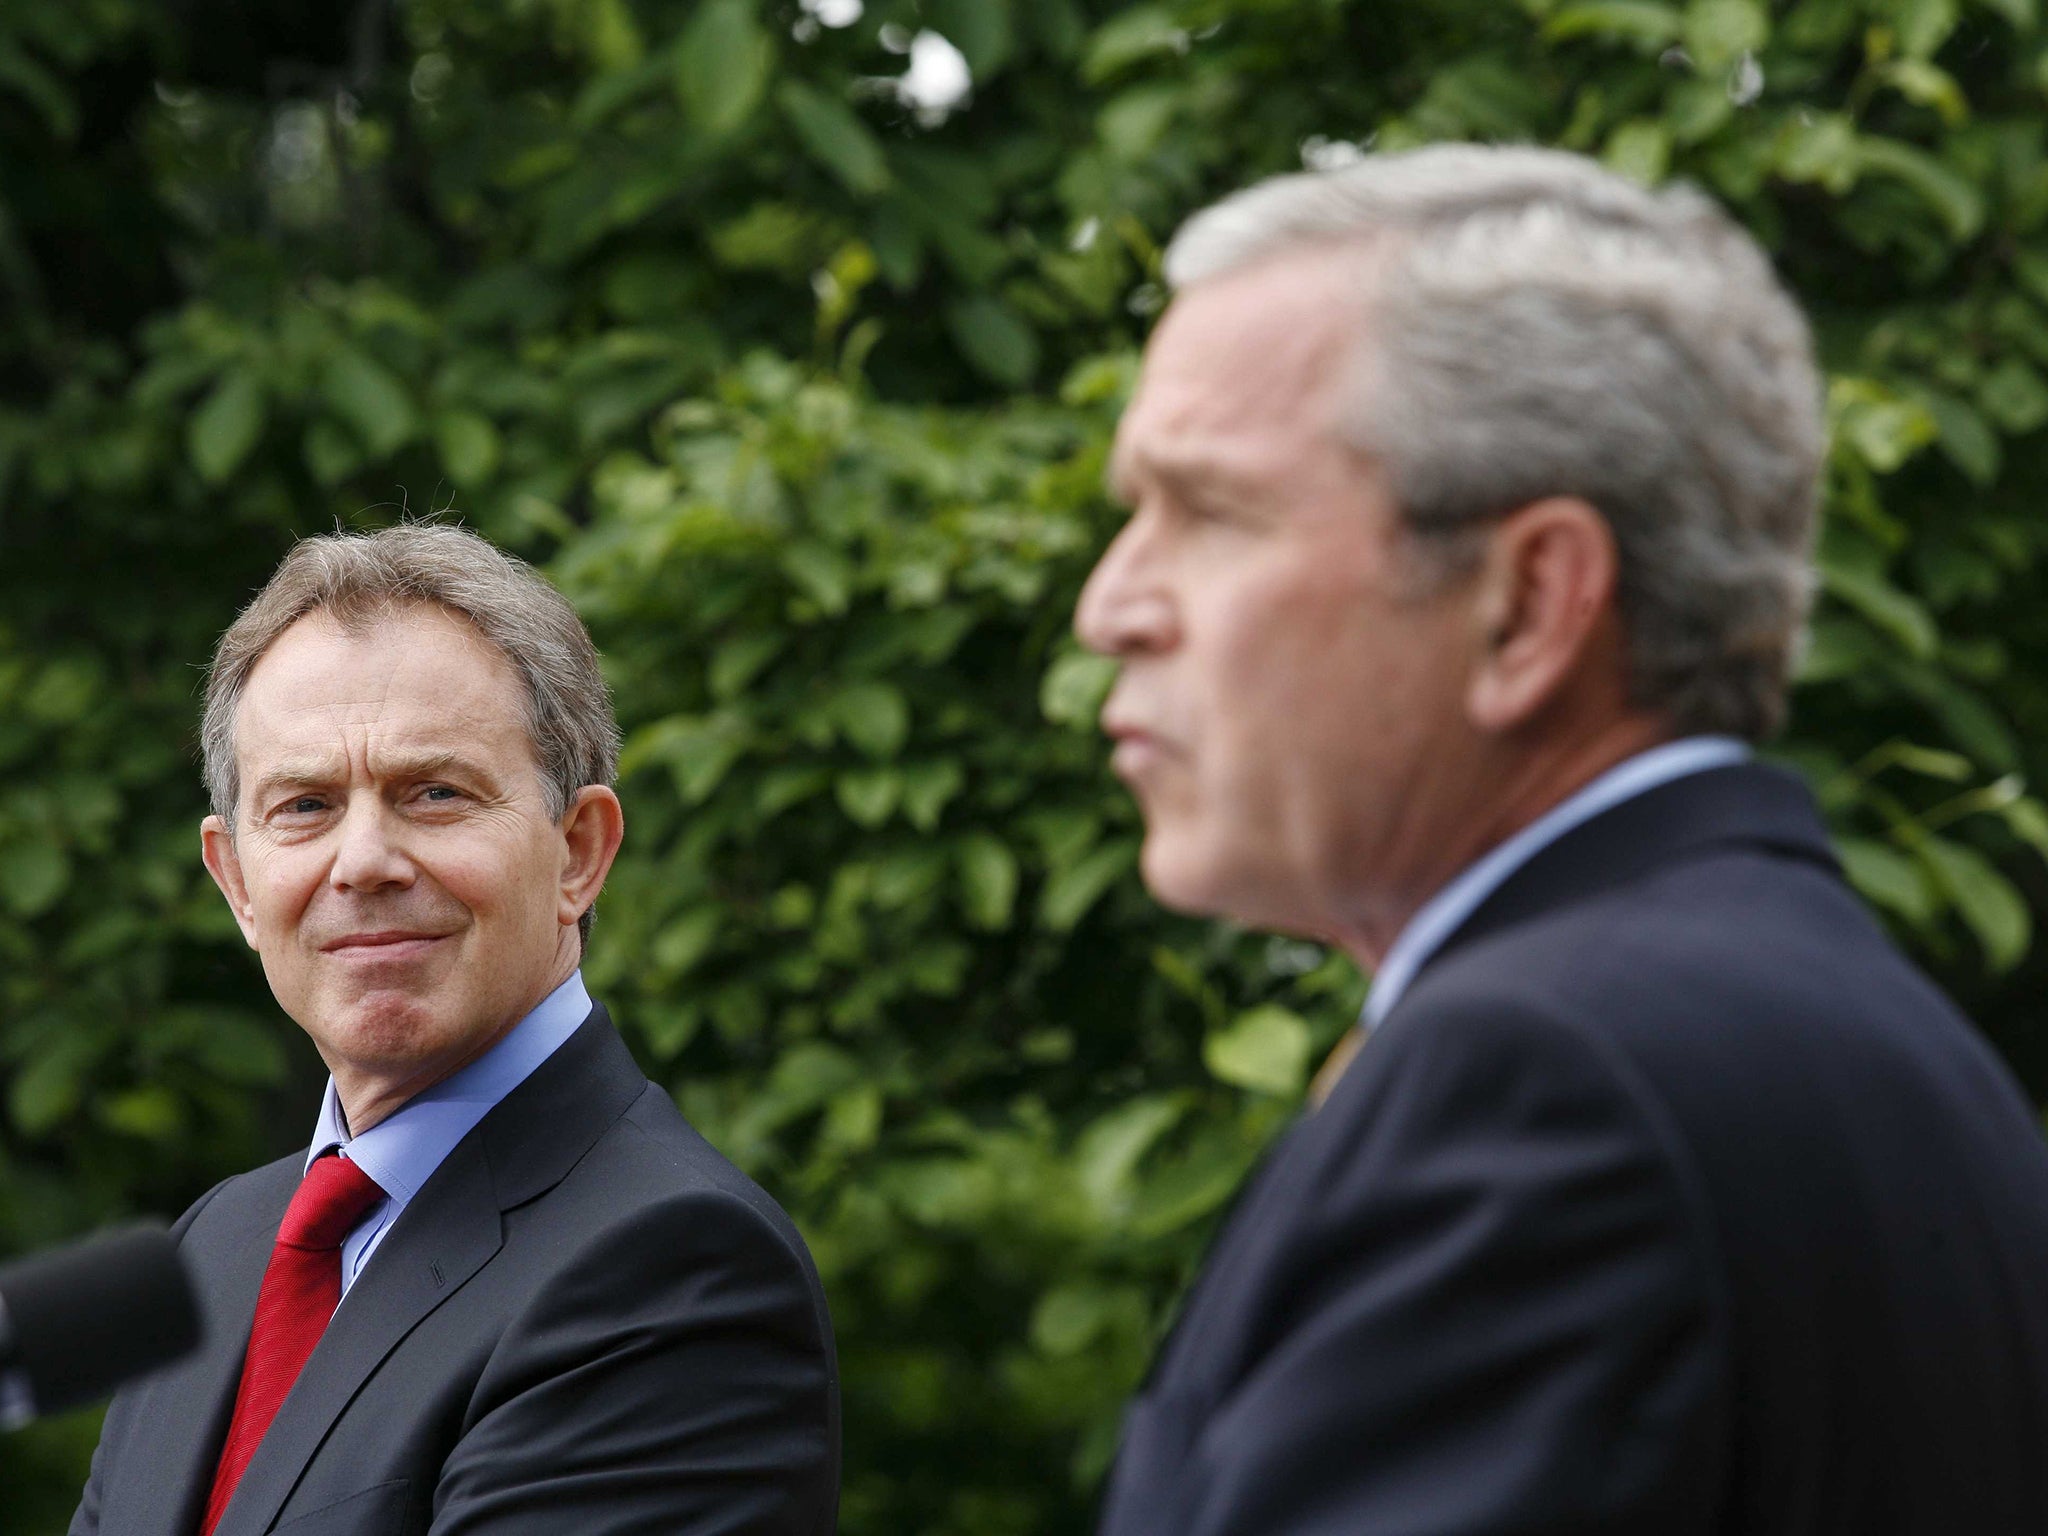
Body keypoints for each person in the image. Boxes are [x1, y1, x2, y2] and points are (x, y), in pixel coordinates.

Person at [1077, 145, 2048, 1535]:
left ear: (1530, 604)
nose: (1110, 607)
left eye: (1211, 513)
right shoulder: (1868, 1036)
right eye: (1133, 517)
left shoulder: (1538, 1086)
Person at [72, 525, 838, 1536]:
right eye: (304, 805)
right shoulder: (216, 1251)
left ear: (577, 853)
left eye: (433, 794)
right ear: (237, 883)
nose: (363, 863)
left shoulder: (671, 1268)